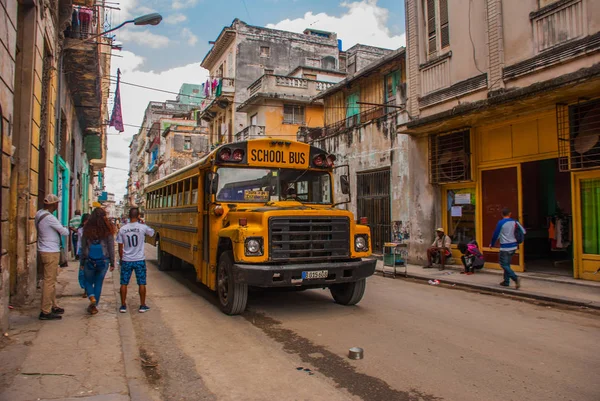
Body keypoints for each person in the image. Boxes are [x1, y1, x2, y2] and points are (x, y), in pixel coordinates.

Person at [35, 194, 70, 320]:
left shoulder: (39, 214)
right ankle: (45, 311)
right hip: (50, 252)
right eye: (56, 204)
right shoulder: (50, 218)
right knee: (49, 282)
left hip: (43, 249)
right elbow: (64, 232)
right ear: (53, 204)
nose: (57, 206)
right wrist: (65, 227)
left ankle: (53, 305)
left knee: (50, 280)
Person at [116, 207, 155, 313]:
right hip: (139, 260)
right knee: (142, 282)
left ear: (129, 216)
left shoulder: (123, 229)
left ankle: (123, 305)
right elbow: (152, 233)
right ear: (138, 216)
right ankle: (142, 305)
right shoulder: (142, 227)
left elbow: (120, 247)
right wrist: (142, 222)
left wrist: (121, 259)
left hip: (127, 259)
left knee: (124, 283)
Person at [80, 207, 116, 315]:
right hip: (103, 260)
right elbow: (111, 247)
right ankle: (94, 306)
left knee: (88, 281)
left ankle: (91, 297)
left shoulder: (87, 229)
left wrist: (82, 262)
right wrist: (113, 262)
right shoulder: (108, 229)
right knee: (99, 283)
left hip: (89, 259)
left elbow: (83, 246)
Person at [490, 207, 525, 289]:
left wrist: (492, 243)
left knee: (503, 264)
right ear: (510, 214)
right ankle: (506, 281)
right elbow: (523, 231)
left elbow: (496, 234)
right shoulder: (515, 221)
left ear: (502, 214)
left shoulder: (501, 223)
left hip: (505, 247)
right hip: (513, 246)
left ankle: (515, 278)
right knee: (507, 264)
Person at [76, 213, 90, 297]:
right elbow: (79, 242)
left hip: (90, 251)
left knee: (89, 271)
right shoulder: (80, 230)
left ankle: (87, 289)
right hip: (82, 251)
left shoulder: (92, 230)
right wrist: (77, 252)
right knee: (82, 271)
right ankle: (84, 287)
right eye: (85, 221)